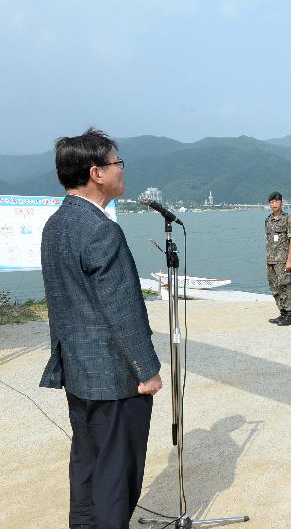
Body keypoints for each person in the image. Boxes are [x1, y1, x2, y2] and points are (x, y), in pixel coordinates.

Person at [40, 128, 163, 527]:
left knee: (88, 465)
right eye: (116, 163)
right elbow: (123, 310)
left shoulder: (55, 224)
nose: (121, 170)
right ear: (97, 172)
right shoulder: (101, 229)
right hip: (113, 377)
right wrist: (147, 371)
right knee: (116, 474)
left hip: (78, 371)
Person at [266, 191, 291, 326]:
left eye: (276, 202)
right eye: (272, 202)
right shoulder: (268, 220)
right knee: (275, 287)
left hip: (283, 259)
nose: (274, 204)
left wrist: (289, 260)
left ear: (281, 203)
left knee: (285, 286)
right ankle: (282, 312)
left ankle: (289, 315)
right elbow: (268, 240)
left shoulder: (288, 219)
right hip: (270, 260)